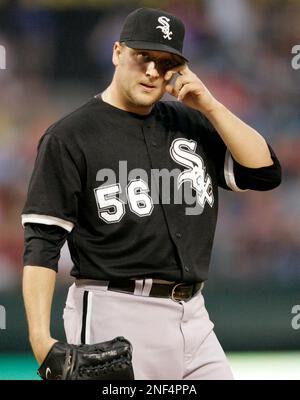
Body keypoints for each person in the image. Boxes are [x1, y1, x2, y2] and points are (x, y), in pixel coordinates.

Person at [22, 7, 281, 380]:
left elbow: (265, 172)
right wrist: (39, 340)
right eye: (143, 57)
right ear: (117, 53)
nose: (152, 71)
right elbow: (42, 242)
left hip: (194, 315)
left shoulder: (190, 122)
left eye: (165, 62)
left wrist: (209, 104)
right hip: (116, 313)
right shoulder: (70, 136)